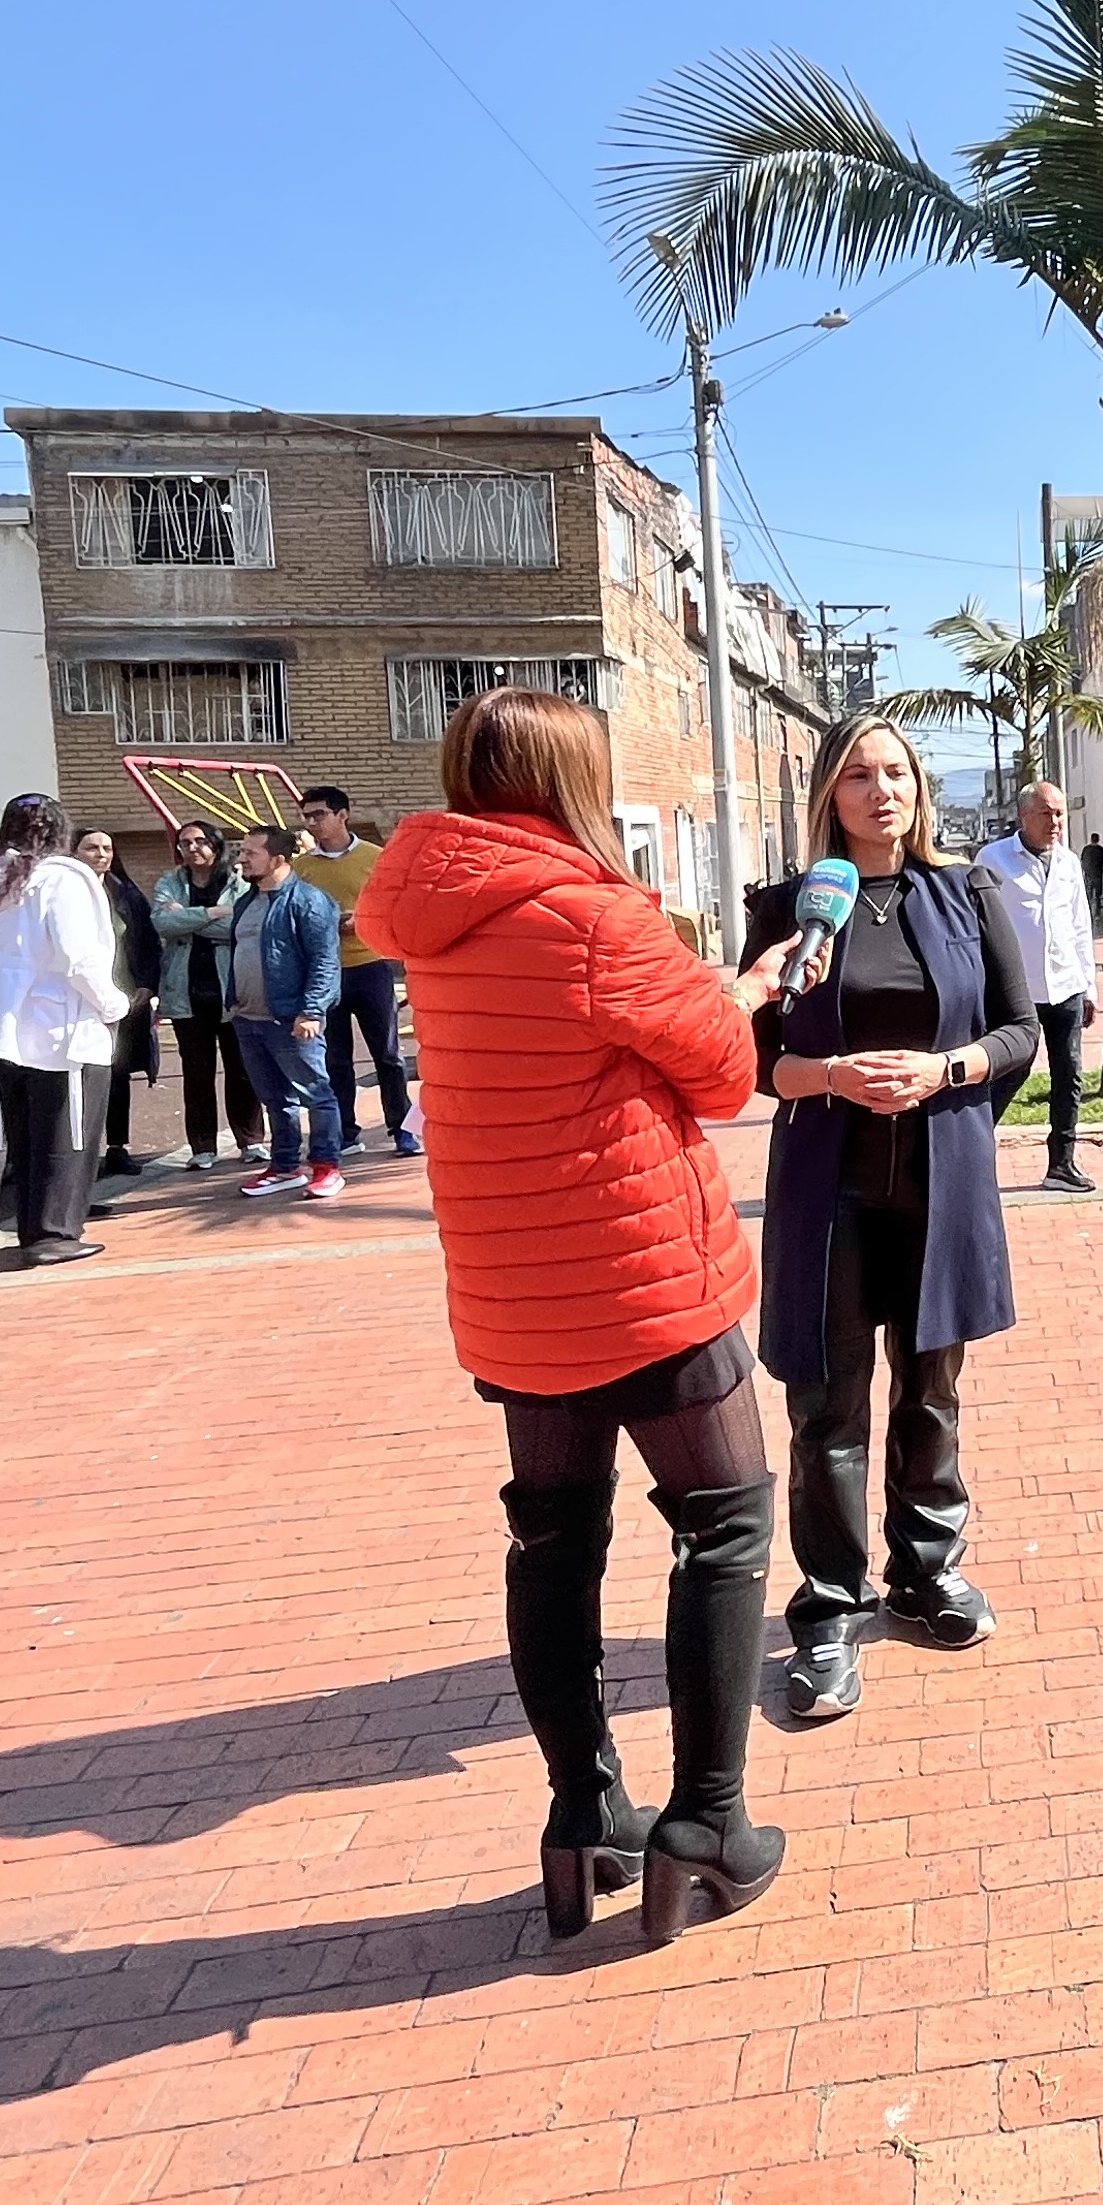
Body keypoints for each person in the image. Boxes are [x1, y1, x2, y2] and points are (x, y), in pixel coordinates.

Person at [361, 686, 802, 1943]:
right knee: (720, 1528)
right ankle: (707, 1821)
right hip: (644, 1281)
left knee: (552, 1544)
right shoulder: (596, 916)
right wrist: (747, 994)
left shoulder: (433, 919)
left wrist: (704, 992)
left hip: (515, 1294)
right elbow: (721, 1077)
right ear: (572, 781)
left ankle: (582, 1814)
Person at [741, 711, 1038, 1722]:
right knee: (826, 1407)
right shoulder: (785, 907)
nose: (884, 791)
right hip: (828, 1190)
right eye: (861, 775)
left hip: (939, 1184)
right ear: (830, 792)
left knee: (931, 1392)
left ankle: (926, 1574)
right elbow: (747, 1061)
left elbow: (1017, 1033)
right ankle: (828, 1611)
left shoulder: (968, 894)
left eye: (898, 773)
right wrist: (828, 1073)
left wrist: (942, 1069)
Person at [0, 793, 131, 1269]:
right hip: (60, 1029)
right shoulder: (62, 879)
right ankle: (54, 1234)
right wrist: (114, 1004)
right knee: (67, 1134)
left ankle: (31, 1228)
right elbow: (78, 956)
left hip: (2, 1032)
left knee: (24, 1134)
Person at [976, 778, 1098, 1193]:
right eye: (1046, 813)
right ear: (1023, 816)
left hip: (1065, 986)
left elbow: (1081, 926)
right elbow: (977, 927)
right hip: (1016, 991)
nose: (1055, 821)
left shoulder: (1069, 863)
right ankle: (969, 1156)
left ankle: (1061, 1165)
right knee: (1009, 1072)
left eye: (1060, 813)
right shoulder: (993, 861)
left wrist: (1090, 988)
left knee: (1070, 1076)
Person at [294, 787, 418, 1157]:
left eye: (319, 815)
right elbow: (297, 917)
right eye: (307, 817)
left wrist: (360, 921)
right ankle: (346, 1133)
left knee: (389, 1055)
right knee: (336, 1059)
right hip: (326, 973)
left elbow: (395, 906)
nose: (312, 823)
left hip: (372, 966)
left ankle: (404, 1129)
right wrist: (328, 923)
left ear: (342, 815)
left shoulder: (375, 858)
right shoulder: (302, 868)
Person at [228, 824, 347, 1201]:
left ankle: (327, 1167)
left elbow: (325, 961)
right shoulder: (247, 901)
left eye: (251, 853)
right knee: (275, 1099)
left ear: (278, 859)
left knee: (316, 1094)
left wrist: (311, 1011)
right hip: (249, 1019)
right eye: (242, 852)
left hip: (291, 1020)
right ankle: (284, 1166)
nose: (242, 858)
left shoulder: (309, 901)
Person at [148, 818, 262, 1170]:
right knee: (196, 1073)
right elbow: (163, 923)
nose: (192, 848)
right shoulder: (171, 882)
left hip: (231, 990)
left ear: (215, 845)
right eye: (185, 843)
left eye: (199, 841)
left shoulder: (238, 881)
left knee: (241, 1069)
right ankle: (202, 1148)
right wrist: (213, 913)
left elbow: (240, 925)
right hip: (186, 991)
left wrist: (190, 919)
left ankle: (251, 1141)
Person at [75, 828, 165, 1182]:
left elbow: (146, 942)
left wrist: (147, 984)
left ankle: (117, 1148)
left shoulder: (125, 892)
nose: (101, 854)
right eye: (91, 847)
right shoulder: (65, 893)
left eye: (107, 848)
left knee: (117, 1074)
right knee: (81, 1080)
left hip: (124, 998)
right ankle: (82, 1155)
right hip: (79, 1002)